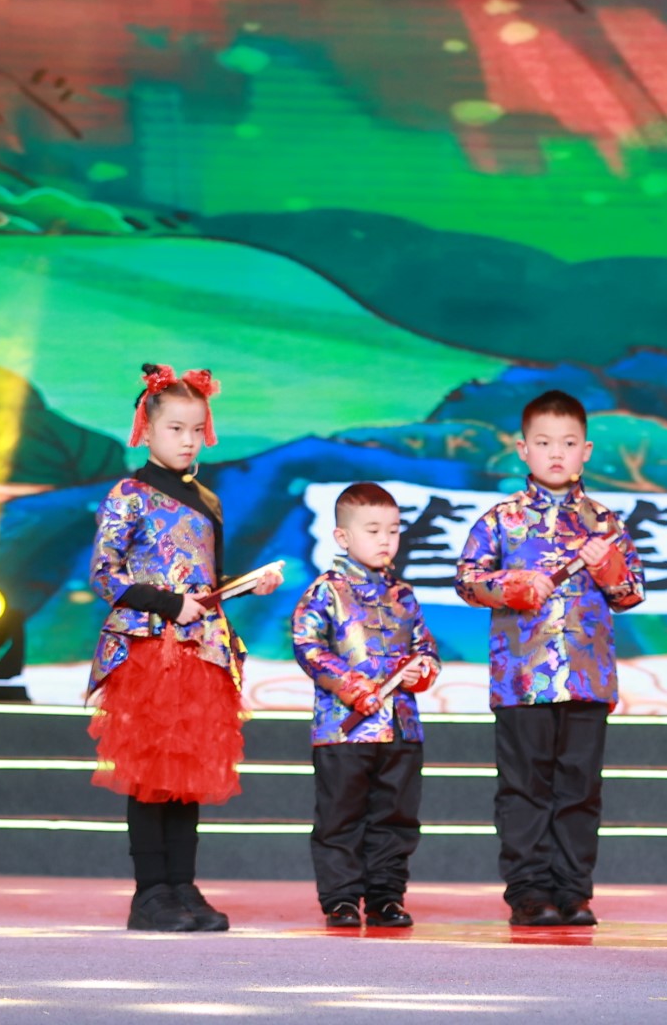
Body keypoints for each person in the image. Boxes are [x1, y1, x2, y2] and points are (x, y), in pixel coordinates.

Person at [87, 363, 283, 932]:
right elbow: (104, 573)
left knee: (187, 771)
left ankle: (182, 885)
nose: (188, 440)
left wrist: (246, 585)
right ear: (146, 429)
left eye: (197, 429)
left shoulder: (208, 500)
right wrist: (169, 605)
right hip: (149, 652)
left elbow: (205, 584)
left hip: (201, 652)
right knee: (150, 771)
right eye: (175, 428)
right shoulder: (129, 494)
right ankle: (150, 891)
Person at [456, 390, 644, 929]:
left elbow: (631, 593)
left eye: (567, 443)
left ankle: (574, 891)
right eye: (543, 443)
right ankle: (528, 892)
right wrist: (512, 585)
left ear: (586, 450)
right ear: (523, 449)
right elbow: (467, 581)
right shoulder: (500, 520)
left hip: (588, 678)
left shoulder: (605, 522)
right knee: (524, 787)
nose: (555, 453)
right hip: (522, 679)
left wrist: (609, 568)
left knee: (580, 788)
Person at [292, 482, 440, 930]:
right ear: (342, 537)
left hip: (402, 728)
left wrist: (420, 670)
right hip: (344, 728)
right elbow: (308, 646)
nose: (385, 540)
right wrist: (355, 686)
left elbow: (426, 649)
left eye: (393, 531)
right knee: (340, 815)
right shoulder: (326, 591)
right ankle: (340, 899)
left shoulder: (404, 594)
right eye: (373, 530)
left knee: (396, 815)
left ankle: (385, 898)